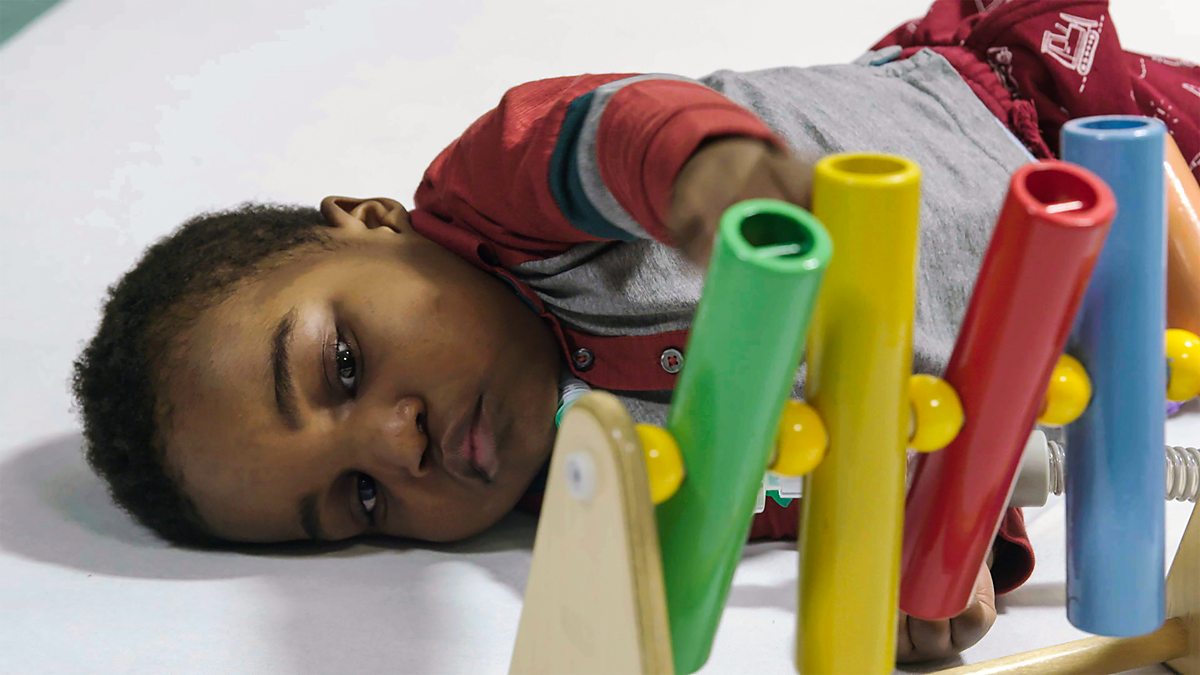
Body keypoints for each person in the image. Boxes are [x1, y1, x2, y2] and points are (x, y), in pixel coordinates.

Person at [70, 0, 1199, 663]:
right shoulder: (602, 491)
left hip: (1048, 127)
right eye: (360, 499)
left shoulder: (497, 205)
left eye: (343, 364)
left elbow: (609, 133)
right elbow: (835, 470)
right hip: (1105, 328)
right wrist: (946, 551)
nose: (399, 446)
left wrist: (707, 174)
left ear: (371, 221)